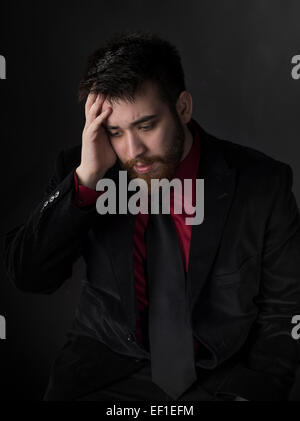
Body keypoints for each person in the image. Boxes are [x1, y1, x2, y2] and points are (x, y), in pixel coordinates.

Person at [3, 31, 300, 401]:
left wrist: (258, 391)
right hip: (105, 376)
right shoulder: (86, 172)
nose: (133, 151)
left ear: (183, 108)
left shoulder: (262, 184)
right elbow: (30, 277)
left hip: (220, 378)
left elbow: (284, 311)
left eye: (146, 126)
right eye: (115, 132)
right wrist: (86, 180)